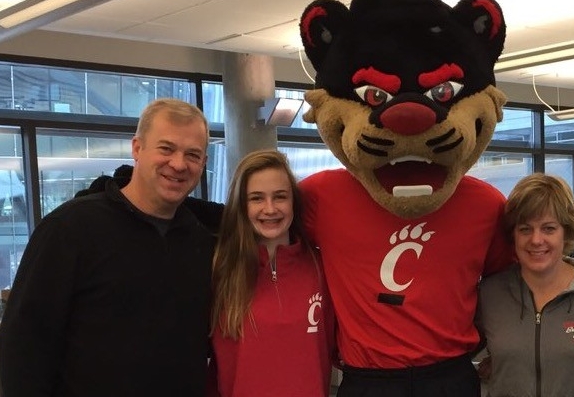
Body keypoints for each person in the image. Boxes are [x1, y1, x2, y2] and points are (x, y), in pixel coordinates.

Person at [0, 98, 214, 397]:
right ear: (137, 148)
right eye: (166, 148)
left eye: (192, 154)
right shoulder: (70, 229)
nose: (179, 164)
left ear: (203, 163)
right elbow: (24, 346)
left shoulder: (203, 240)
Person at [476, 173, 574, 397]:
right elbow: (453, 357)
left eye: (548, 228)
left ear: (566, 232)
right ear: (513, 234)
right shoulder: (491, 293)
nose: (536, 240)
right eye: (525, 229)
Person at [209, 149, 335, 396]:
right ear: (241, 206)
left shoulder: (321, 268)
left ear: (293, 202)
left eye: (280, 197)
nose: (270, 209)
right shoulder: (219, 270)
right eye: (257, 198)